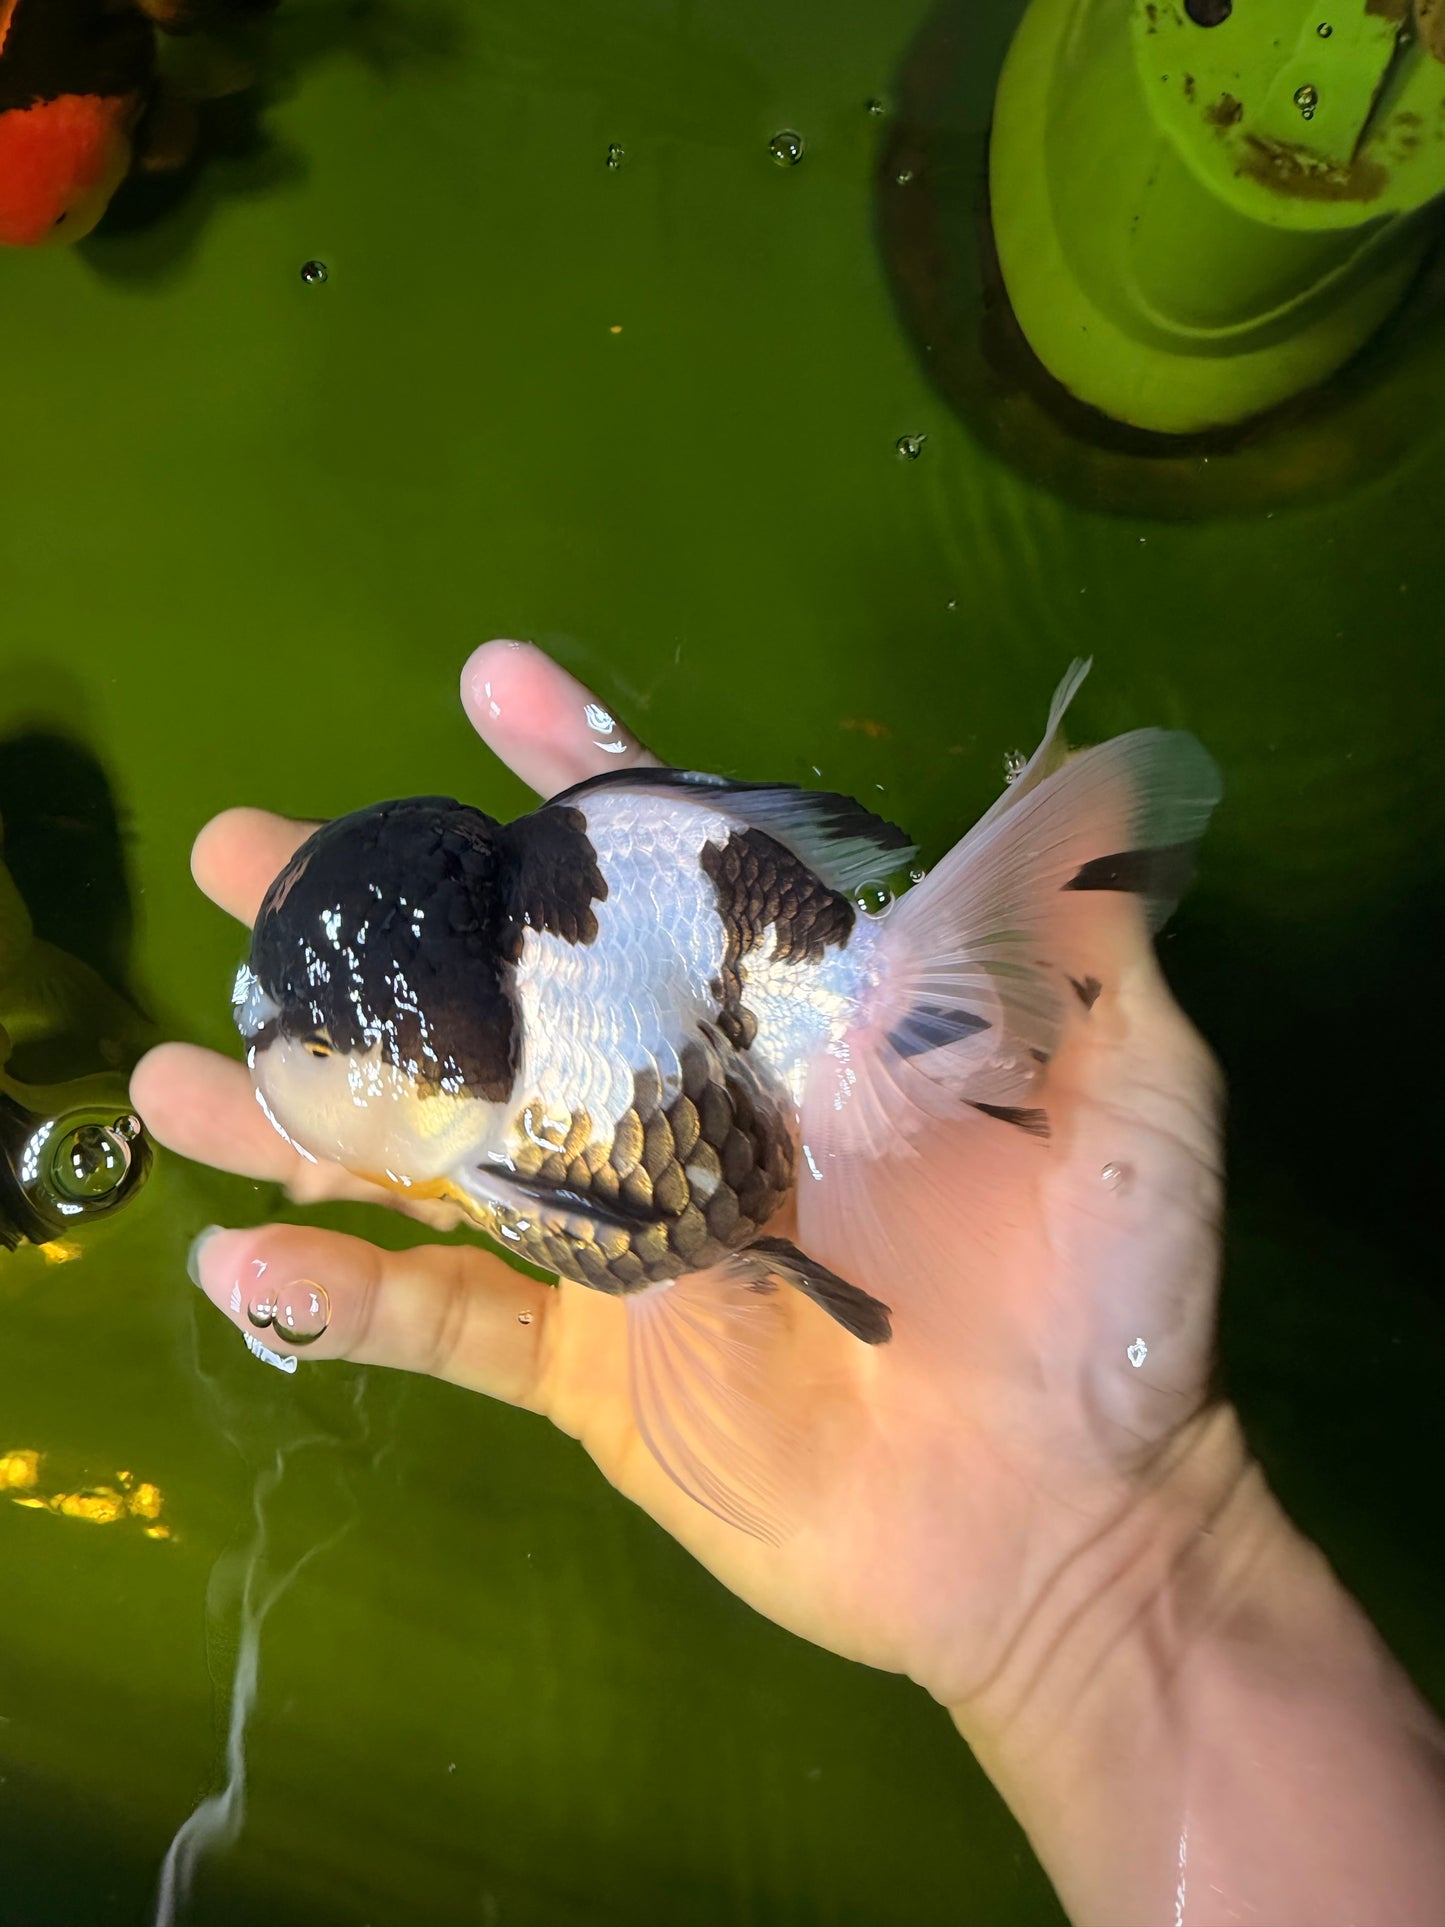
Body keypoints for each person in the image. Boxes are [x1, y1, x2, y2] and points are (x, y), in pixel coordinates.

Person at [132, 641, 1445, 1927]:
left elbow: (665, 1217)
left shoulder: (540, 1080)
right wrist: (1087, 1601)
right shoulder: (502, 1100)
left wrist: (1095, 1567)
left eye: (306, 1041)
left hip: (749, 1011)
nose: (279, 1055)